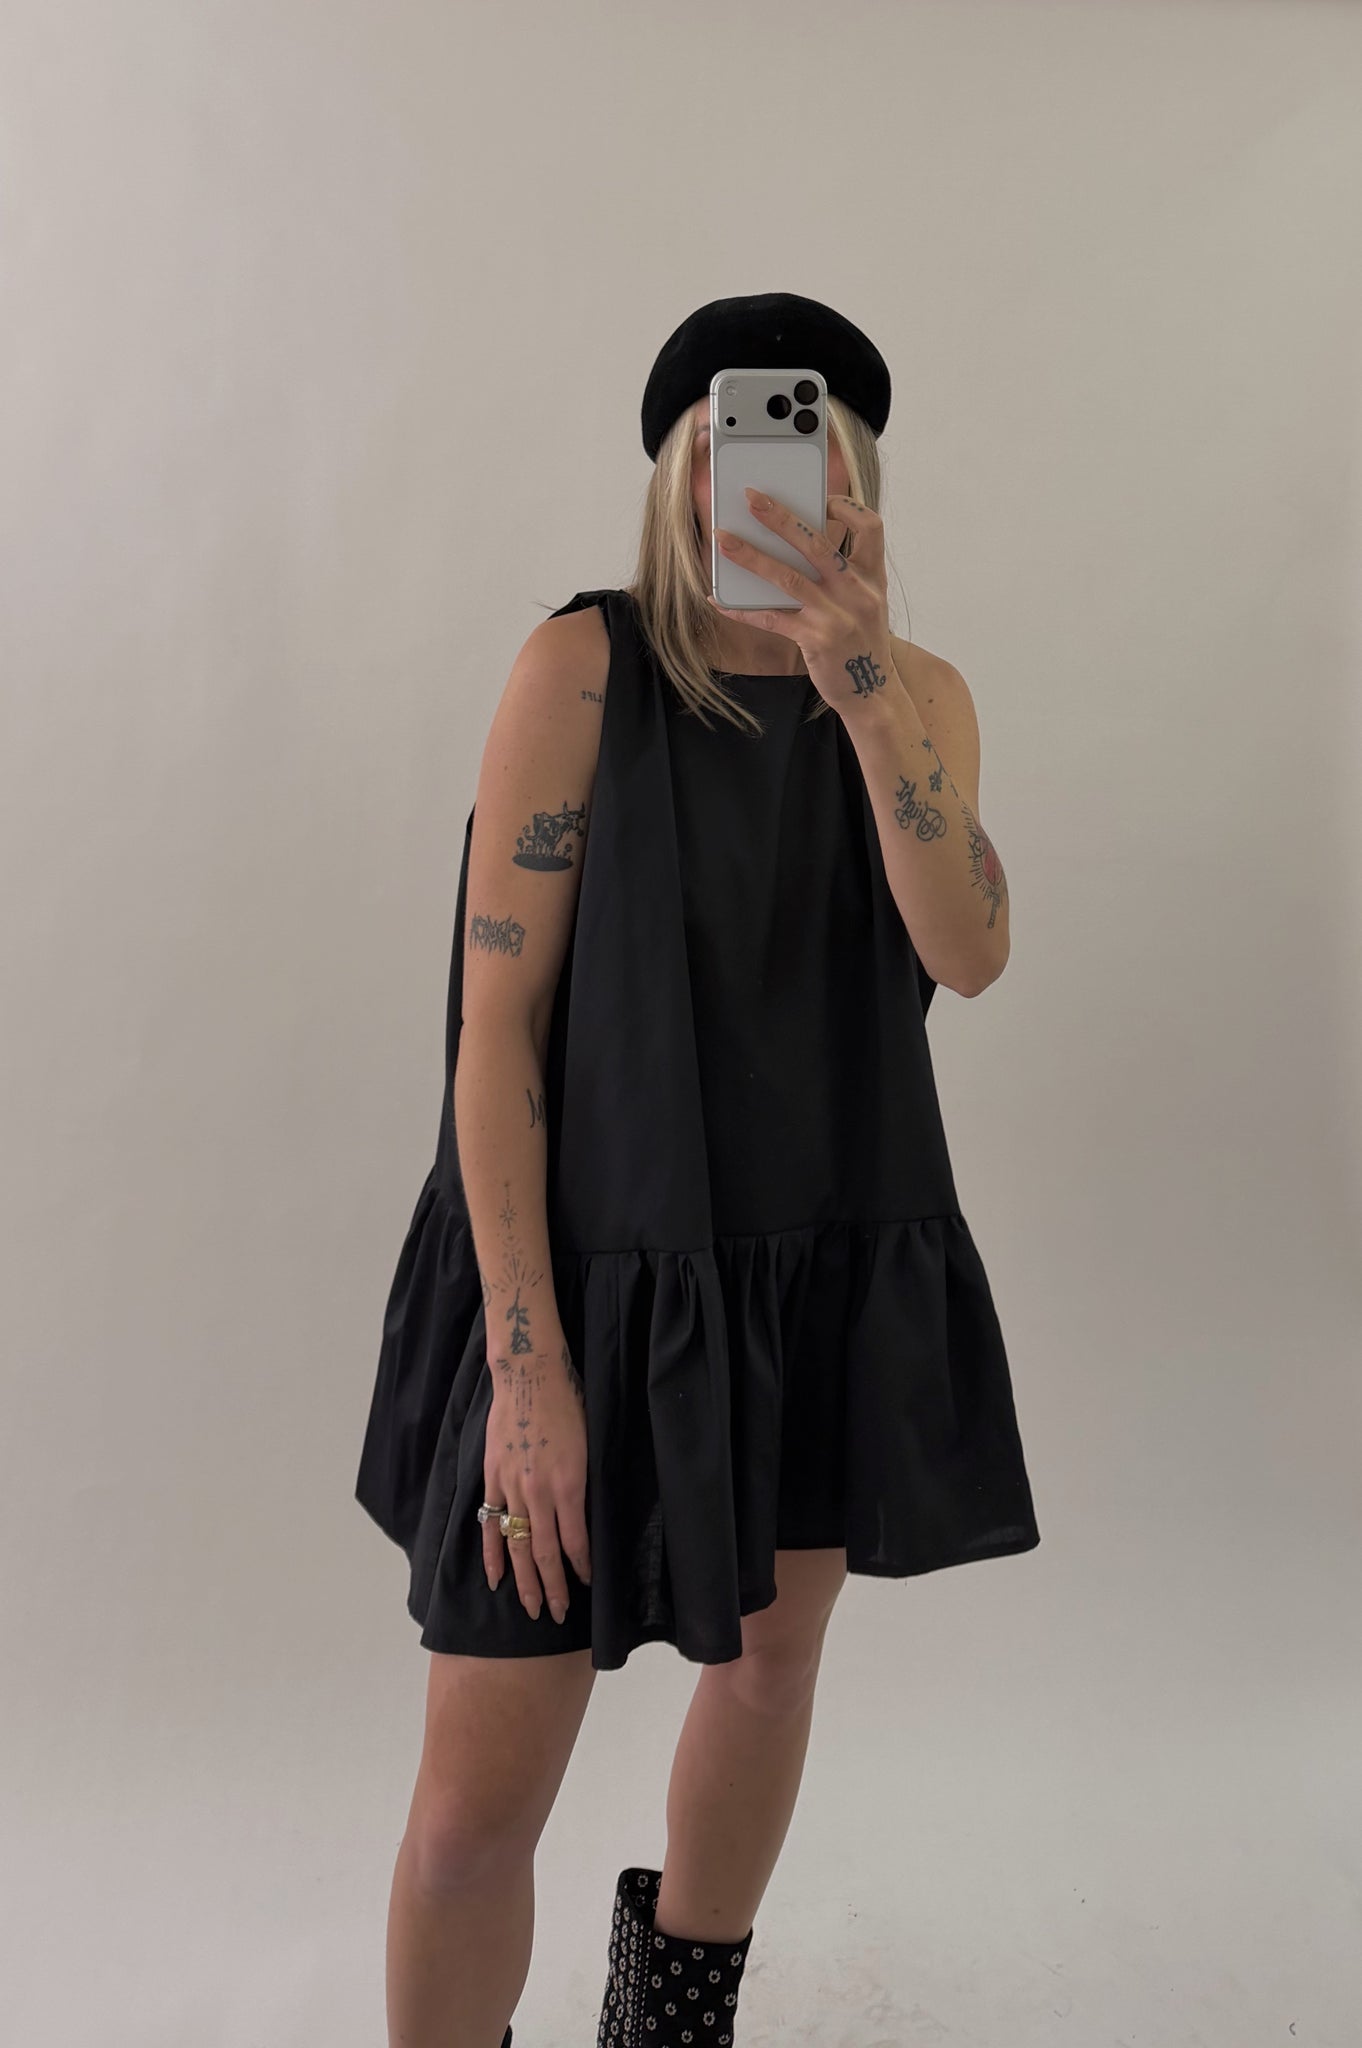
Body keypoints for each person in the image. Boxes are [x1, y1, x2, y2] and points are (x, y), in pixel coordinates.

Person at [355, 294, 1042, 2048]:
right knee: (472, 1806)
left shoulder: (917, 697)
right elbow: (496, 1033)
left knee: (768, 1669)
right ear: (678, 475)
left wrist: (860, 681)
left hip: (814, 1264)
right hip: (575, 1277)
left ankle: (667, 2022)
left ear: (851, 478)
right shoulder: (582, 672)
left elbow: (967, 953)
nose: (757, 480)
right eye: (726, 446)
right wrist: (525, 1371)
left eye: (802, 447)